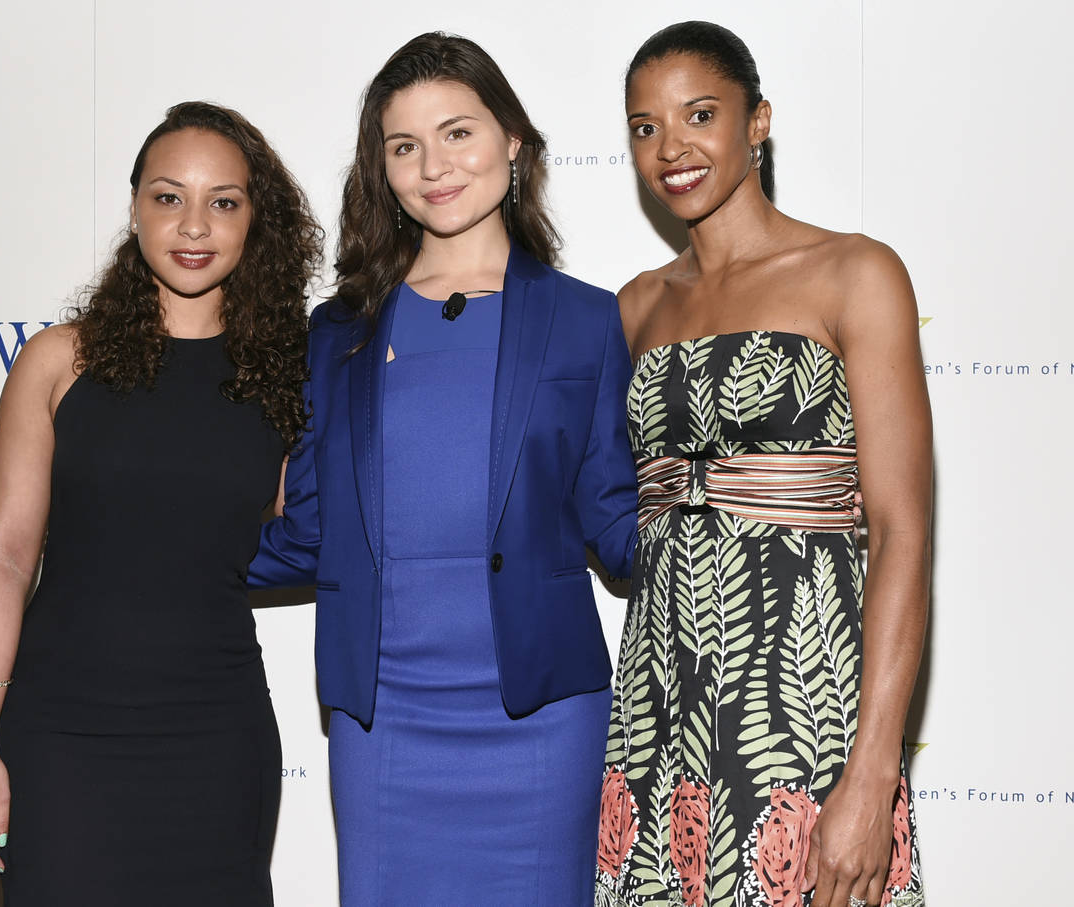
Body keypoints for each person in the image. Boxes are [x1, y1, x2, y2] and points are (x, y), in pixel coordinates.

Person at [248, 32, 640, 906]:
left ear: (514, 141)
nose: (434, 166)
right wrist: (148, 549)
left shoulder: (585, 320)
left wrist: (744, 514)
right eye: (405, 146)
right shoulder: (338, 333)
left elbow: (617, 525)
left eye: (458, 132)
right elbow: (308, 531)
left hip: (544, 715)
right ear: (381, 169)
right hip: (384, 714)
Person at [0, 101, 320, 905]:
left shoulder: (288, 377)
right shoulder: (58, 361)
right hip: (60, 734)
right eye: (168, 196)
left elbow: (300, 529)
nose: (194, 225)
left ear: (255, 220)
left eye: (224, 201)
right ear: (134, 207)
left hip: (215, 735)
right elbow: (5, 558)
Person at [596, 22, 929, 907]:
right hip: (658, 703)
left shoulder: (855, 273)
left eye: (700, 115)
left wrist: (874, 771)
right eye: (645, 127)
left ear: (758, 121)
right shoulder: (634, 307)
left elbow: (902, 531)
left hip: (805, 698)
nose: (671, 148)